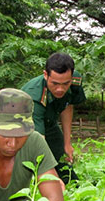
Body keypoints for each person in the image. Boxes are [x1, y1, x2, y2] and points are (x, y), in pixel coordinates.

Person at [20, 52, 86, 184]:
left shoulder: (75, 81)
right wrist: (53, 179)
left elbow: (67, 105)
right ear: (45, 75)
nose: (60, 89)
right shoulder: (34, 96)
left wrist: (67, 143)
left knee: (64, 164)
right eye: (55, 84)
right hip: (23, 127)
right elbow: (38, 141)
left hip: (50, 123)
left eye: (65, 84)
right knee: (33, 166)